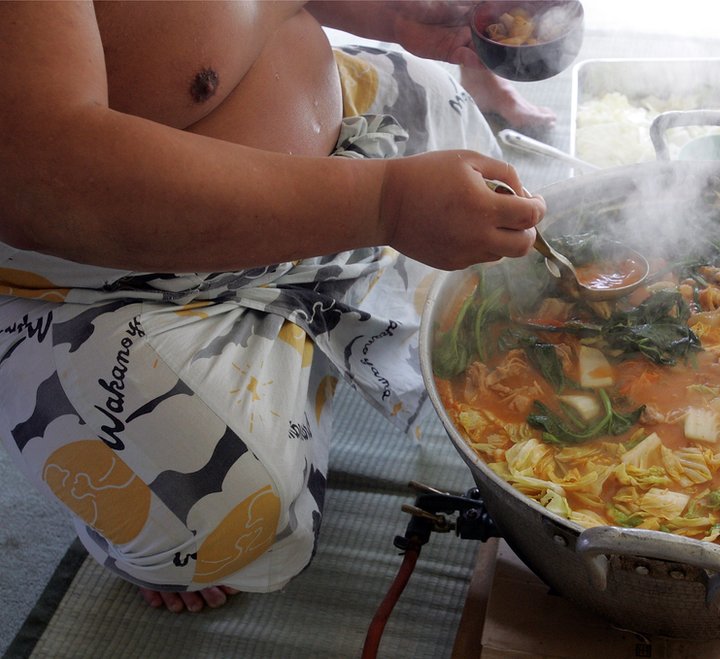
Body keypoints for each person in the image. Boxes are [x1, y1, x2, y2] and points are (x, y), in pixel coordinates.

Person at [0, 1, 551, 614]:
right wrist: (385, 205)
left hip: (340, 153)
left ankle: (300, 348)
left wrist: (392, 13)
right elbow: (39, 181)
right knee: (222, 517)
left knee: (443, 110)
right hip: (125, 271)